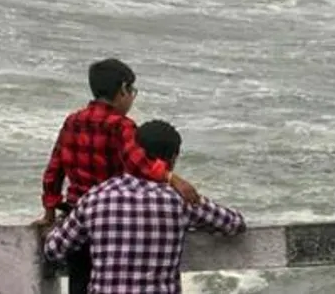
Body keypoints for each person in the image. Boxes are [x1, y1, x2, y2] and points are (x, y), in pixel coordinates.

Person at [35, 58, 201, 294]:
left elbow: (54, 170)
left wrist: (50, 212)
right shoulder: (121, 126)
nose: (132, 98)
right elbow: (139, 164)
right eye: (132, 91)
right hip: (112, 219)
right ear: (122, 89)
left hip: (75, 217)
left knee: (79, 282)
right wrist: (172, 178)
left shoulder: (72, 121)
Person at [43, 120, 246, 294]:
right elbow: (234, 224)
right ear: (174, 158)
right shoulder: (179, 200)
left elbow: (54, 249)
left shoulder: (97, 197)